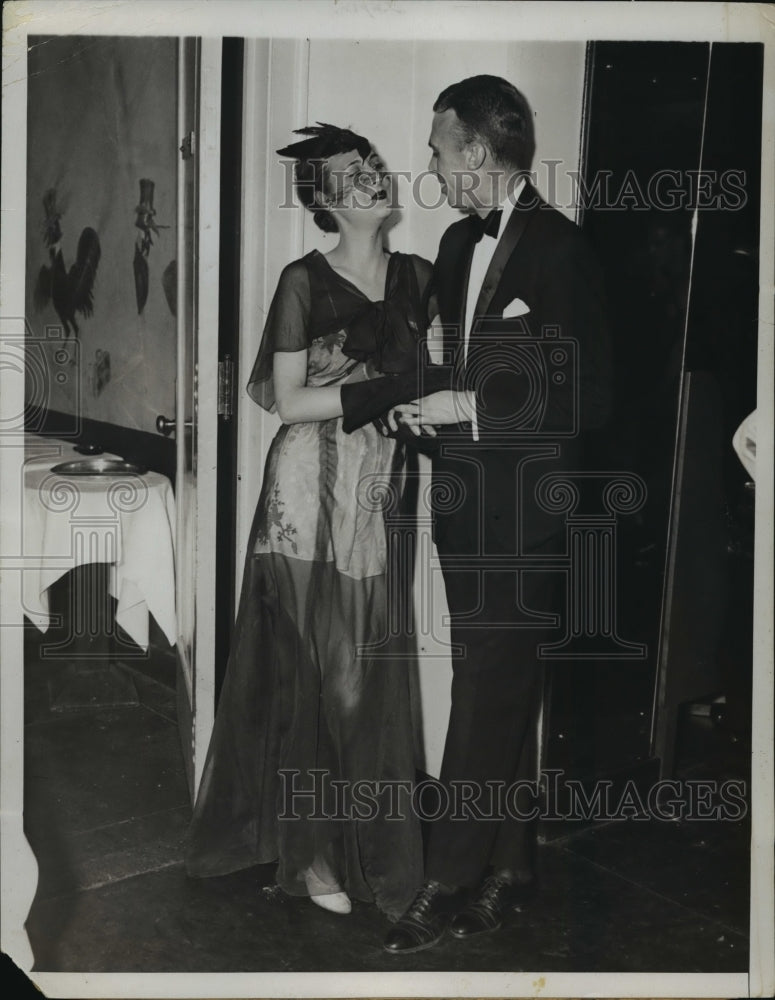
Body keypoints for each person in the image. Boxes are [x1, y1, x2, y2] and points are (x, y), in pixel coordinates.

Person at [185, 123, 443, 922]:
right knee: (322, 672)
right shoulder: (304, 278)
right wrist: (383, 392)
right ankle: (316, 856)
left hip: (376, 487)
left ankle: (362, 846)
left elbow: (436, 375)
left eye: (371, 164)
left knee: (365, 675)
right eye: (348, 175)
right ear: (323, 204)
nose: (369, 178)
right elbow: (288, 400)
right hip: (305, 486)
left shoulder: (420, 276)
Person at [383, 75, 612, 952]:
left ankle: (445, 880)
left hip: (526, 510)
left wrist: (468, 410)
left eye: (439, 151)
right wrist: (426, 405)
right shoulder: (453, 242)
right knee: (496, 677)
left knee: (485, 686)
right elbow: (455, 361)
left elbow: (589, 392)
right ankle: (509, 870)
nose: (432, 167)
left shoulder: (562, 249)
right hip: (464, 499)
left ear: (475, 153)